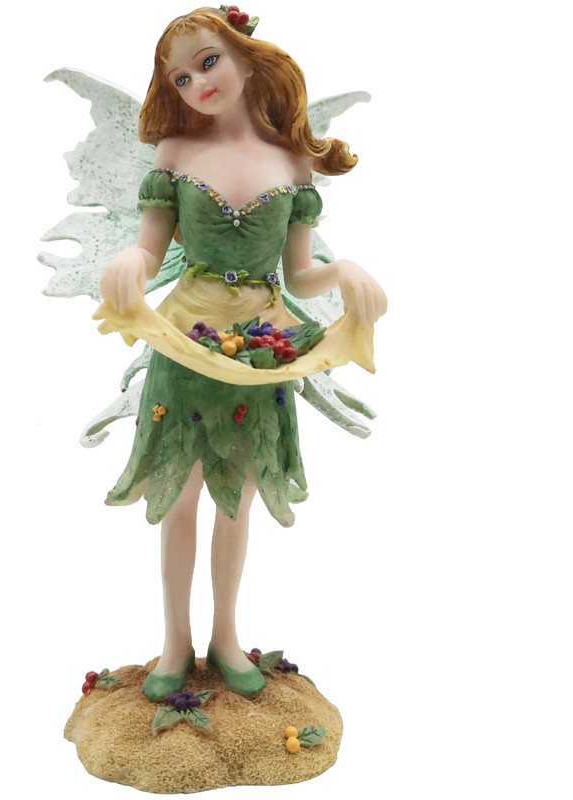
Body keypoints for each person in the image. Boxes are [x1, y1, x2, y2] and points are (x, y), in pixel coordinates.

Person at [96, 5, 387, 700]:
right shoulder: (174, 154)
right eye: (180, 77)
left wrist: (342, 272)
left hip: (263, 346)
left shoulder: (292, 160)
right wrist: (131, 261)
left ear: (245, 58)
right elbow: (149, 248)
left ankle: (224, 636)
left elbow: (300, 275)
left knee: (238, 499)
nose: (197, 83)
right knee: (179, 496)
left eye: (207, 62)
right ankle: (175, 641)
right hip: (186, 340)